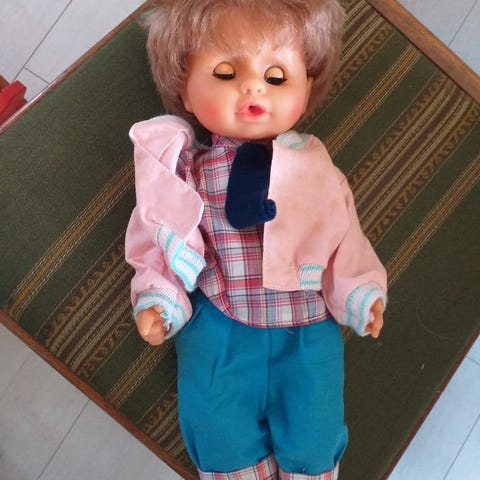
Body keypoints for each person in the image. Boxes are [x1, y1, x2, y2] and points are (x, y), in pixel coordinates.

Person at [125, 1, 387, 478]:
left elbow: (343, 235)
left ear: (307, 85)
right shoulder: (181, 172)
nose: (252, 87)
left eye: (277, 77)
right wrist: (158, 298)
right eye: (225, 73)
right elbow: (157, 235)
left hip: (306, 327)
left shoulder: (315, 168)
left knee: (315, 430)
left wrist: (360, 290)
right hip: (219, 323)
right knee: (218, 428)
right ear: (184, 91)